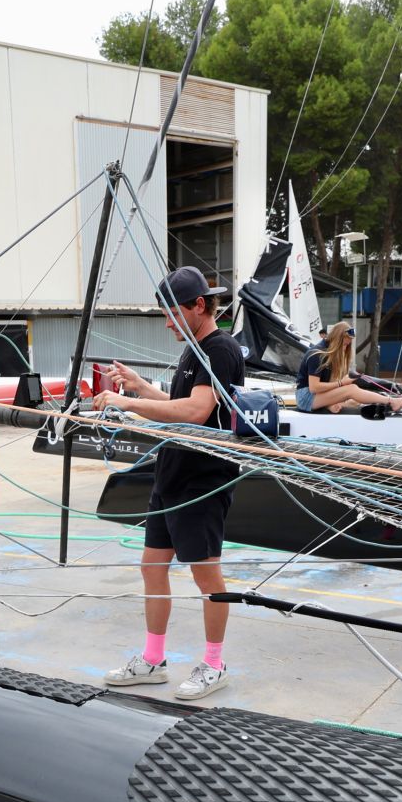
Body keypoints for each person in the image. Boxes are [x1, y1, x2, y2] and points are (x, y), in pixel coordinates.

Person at [94, 266, 245, 701]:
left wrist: (126, 402)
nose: (166, 323)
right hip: (172, 475)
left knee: (206, 577)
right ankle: (153, 659)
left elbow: (198, 412)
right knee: (152, 566)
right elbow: (181, 404)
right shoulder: (194, 348)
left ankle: (215, 664)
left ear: (199, 306)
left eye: (172, 314)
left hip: (202, 480)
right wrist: (141, 388)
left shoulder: (220, 349)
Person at [295, 321, 402, 414]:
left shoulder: (330, 353)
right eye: (345, 344)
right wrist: (341, 383)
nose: (345, 348)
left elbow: (339, 381)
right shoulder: (317, 354)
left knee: (354, 398)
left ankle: (387, 400)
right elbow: (314, 388)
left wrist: (392, 386)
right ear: (337, 340)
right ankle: (392, 402)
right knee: (351, 389)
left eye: (348, 345)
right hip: (306, 398)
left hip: (318, 396)